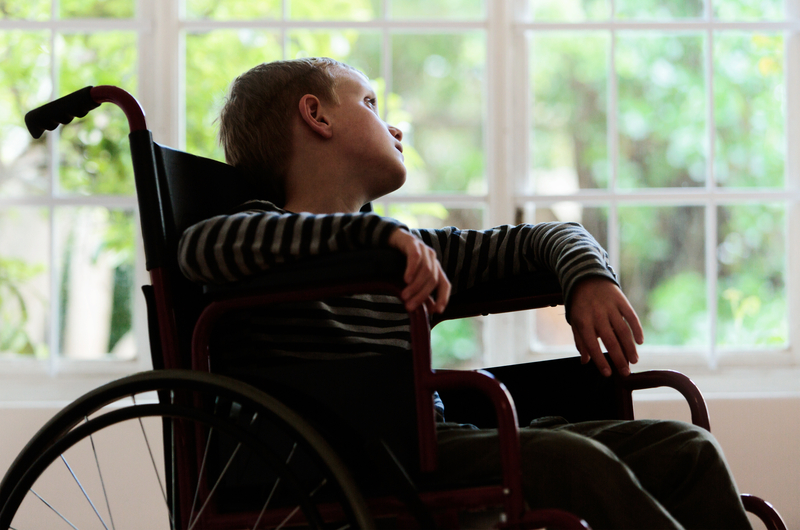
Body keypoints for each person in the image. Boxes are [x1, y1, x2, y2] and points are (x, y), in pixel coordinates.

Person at [177, 57, 751, 529]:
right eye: (371, 104)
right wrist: (377, 236)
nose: (395, 127)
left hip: (433, 443)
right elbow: (199, 248)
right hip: (357, 459)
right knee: (579, 466)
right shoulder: (257, 233)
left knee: (687, 451)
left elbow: (542, 237)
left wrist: (587, 277)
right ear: (316, 115)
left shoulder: (409, 246)